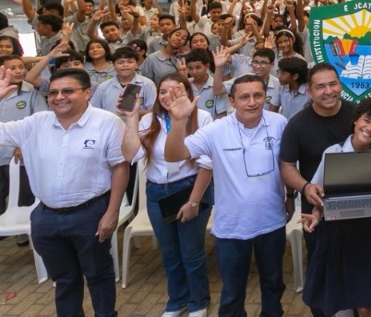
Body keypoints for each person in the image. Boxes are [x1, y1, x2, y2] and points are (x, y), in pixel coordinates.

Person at [0, 68, 129, 316]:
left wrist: (112, 213)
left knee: (98, 274)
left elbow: (120, 168)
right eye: (53, 93)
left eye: (68, 91)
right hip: (46, 217)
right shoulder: (35, 123)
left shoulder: (107, 122)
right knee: (64, 279)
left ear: (87, 92)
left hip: (90, 214)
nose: (59, 97)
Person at [164, 74, 290, 317]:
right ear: (232, 101)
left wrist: (292, 196)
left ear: (266, 97)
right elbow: (174, 155)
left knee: (274, 285)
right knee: (232, 292)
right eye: (244, 97)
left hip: (272, 221)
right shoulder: (216, 129)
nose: (252, 102)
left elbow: (288, 163)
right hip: (231, 226)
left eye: (258, 96)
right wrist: (178, 121)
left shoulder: (280, 123)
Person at [120, 73, 214, 317]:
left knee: (191, 253)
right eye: (163, 91)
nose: (169, 96)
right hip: (156, 192)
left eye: (176, 90)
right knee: (170, 253)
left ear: (187, 93)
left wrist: (194, 201)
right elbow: (131, 155)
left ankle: (198, 302)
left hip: (189, 188)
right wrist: (131, 118)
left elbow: (207, 164)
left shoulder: (202, 117)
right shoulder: (150, 120)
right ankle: (177, 300)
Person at [299, 97, 371, 317]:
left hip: (368, 233)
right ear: (355, 120)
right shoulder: (333, 152)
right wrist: (316, 214)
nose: (370, 129)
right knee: (340, 298)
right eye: (367, 120)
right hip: (336, 233)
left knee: (367, 301)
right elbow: (320, 194)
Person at [280, 63, 357, 263]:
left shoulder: (357, 115)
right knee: (321, 260)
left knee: (357, 259)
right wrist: (305, 187)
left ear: (340, 85)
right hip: (316, 202)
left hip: (356, 200)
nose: (329, 91)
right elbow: (287, 166)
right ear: (309, 91)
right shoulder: (297, 125)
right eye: (321, 87)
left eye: (333, 84)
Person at [0, 54, 45, 247]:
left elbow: (41, 120)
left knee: (23, 192)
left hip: (20, 155)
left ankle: (23, 230)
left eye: (21, 67)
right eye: (12, 68)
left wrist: (22, 144)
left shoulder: (32, 93)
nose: (18, 71)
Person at [90, 47, 157, 114]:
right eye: (120, 62)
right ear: (113, 66)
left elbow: (154, 111)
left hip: (139, 124)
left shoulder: (148, 84)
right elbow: (94, 110)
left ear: (136, 64)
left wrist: (133, 113)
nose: (125, 65)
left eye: (130, 62)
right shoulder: (103, 87)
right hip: (110, 124)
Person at [184, 48, 228, 119]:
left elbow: (222, 115)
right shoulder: (185, 85)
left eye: (198, 67)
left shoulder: (217, 86)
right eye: (190, 68)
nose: (194, 71)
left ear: (207, 66)